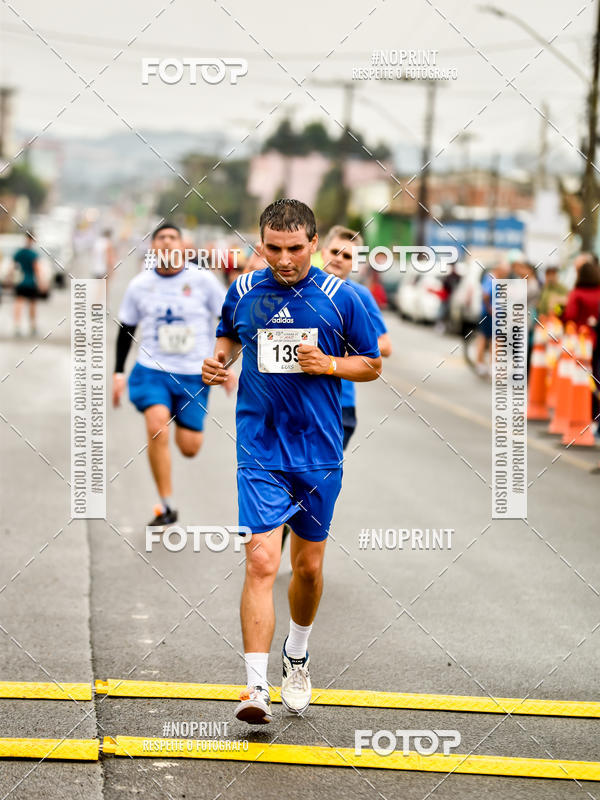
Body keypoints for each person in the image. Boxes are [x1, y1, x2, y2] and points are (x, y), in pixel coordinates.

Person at [202, 199, 381, 725]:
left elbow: (371, 364)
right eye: (273, 248)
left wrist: (328, 363)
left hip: (320, 451)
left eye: (295, 249)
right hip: (259, 446)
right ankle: (254, 688)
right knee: (261, 561)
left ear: (314, 244)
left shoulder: (341, 297)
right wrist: (217, 361)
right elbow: (230, 335)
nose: (283, 259)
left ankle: (296, 656)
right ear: (261, 243)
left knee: (307, 567)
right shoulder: (243, 291)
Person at [112, 223, 229, 526]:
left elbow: (228, 319)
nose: (166, 243)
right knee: (156, 426)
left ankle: (180, 416)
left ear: (183, 247)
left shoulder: (203, 281)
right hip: (152, 370)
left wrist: (225, 363)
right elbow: (126, 329)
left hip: (193, 374)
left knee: (189, 448)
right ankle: (167, 505)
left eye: (172, 238)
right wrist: (117, 372)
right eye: (160, 239)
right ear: (153, 249)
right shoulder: (139, 285)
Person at [321, 225, 392, 449]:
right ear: (322, 251)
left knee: (320, 479)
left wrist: (344, 350)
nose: (339, 259)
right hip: (297, 399)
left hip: (340, 404)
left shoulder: (360, 295)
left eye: (347, 255)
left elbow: (385, 346)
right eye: (334, 252)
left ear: (355, 262)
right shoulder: (301, 288)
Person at [474, 260, 510, 376]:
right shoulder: (491, 278)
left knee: (492, 339)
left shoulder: (496, 279)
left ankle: (489, 365)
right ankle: (484, 364)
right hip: (489, 314)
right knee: (489, 339)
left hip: (494, 314)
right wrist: (490, 309)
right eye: (505, 272)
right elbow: (485, 295)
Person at [13, 232, 43, 337]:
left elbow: (13, 267)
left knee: (19, 303)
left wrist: (10, 279)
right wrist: (41, 282)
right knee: (32, 304)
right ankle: (33, 326)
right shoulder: (33, 254)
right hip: (30, 282)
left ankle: (17, 325)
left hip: (20, 281)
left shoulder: (19, 252)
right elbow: (37, 269)